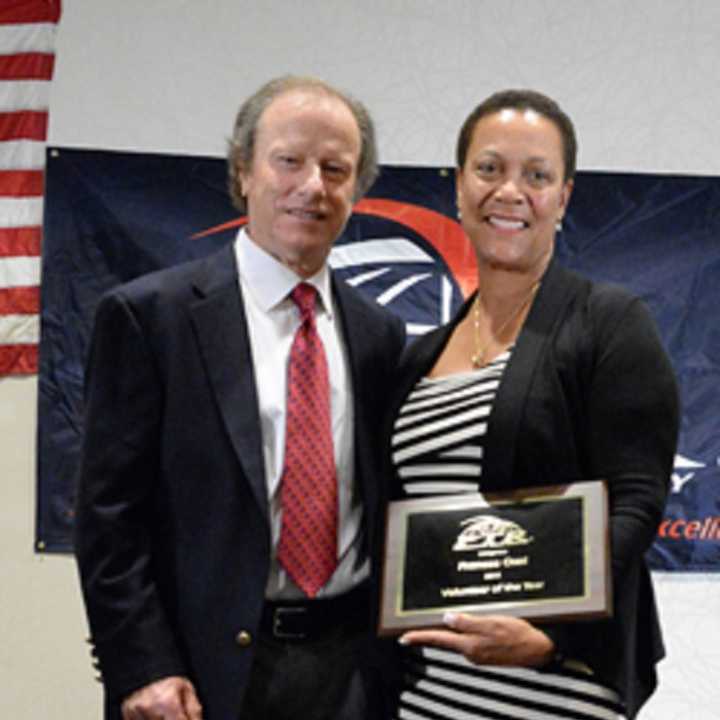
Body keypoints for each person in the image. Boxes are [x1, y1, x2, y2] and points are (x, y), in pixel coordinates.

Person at [74, 75, 406, 720]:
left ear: (356, 191)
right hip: (199, 679)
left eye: (336, 168)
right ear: (242, 173)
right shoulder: (151, 318)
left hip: (350, 678)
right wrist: (144, 666)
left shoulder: (380, 334)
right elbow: (108, 518)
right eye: (289, 160)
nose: (312, 185)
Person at [385, 89, 679, 719]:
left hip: (554, 689)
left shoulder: (607, 322)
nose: (510, 192)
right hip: (429, 694)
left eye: (537, 175)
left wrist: (554, 636)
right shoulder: (419, 357)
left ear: (564, 197)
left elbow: (636, 501)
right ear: (458, 187)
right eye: (489, 169)